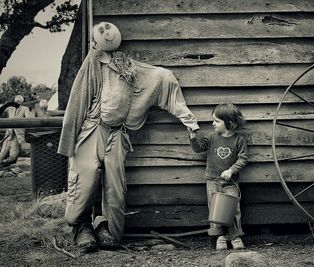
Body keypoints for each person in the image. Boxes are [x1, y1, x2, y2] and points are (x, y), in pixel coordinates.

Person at [57, 22, 199, 253]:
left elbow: (162, 77)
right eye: (100, 34)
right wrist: (68, 142)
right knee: (86, 178)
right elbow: (77, 102)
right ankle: (80, 227)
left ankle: (104, 226)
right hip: (93, 129)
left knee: (114, 186)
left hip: (117, 135)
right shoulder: (92, 64)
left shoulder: (128, 67)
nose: (105, 33)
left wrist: (189, 121)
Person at [188, 103, 248, 250]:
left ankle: (234, 236)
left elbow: (243, 158)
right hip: (212, 180)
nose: (213, 123)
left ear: (230, 123)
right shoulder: (211, 137)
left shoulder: (238, 140)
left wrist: (231, 170)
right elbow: (198, 148)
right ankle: (219, 237)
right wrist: (192, 135)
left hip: (230, 182)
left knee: (233, 209)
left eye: (216, 121)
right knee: (215, 210)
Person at [0, 95, 31, 167]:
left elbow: (29, 120)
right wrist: (7, 104)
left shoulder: (25, 109)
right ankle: (3, 164)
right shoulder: (10, 108)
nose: (18, 103)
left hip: (18, 135)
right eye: (16, 101)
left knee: (13, 156)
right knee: (2, 153)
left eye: (19, 101)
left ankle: (5, 163)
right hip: (8, 135)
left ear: (22, 102)